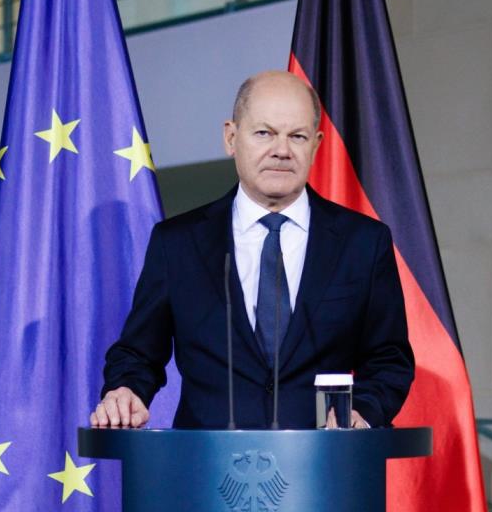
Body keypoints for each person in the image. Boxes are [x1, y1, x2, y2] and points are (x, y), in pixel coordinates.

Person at [91, 70, 414, 430]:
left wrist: (363, 410)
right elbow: (138, 353)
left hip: (325, 470)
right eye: (264, 133)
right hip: (208, 472)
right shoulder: (177, 243)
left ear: (317, 145)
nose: (281, 150)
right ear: (231, 137)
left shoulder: (363, 243)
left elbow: (389, 358)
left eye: (298, 136)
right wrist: (124, 390)